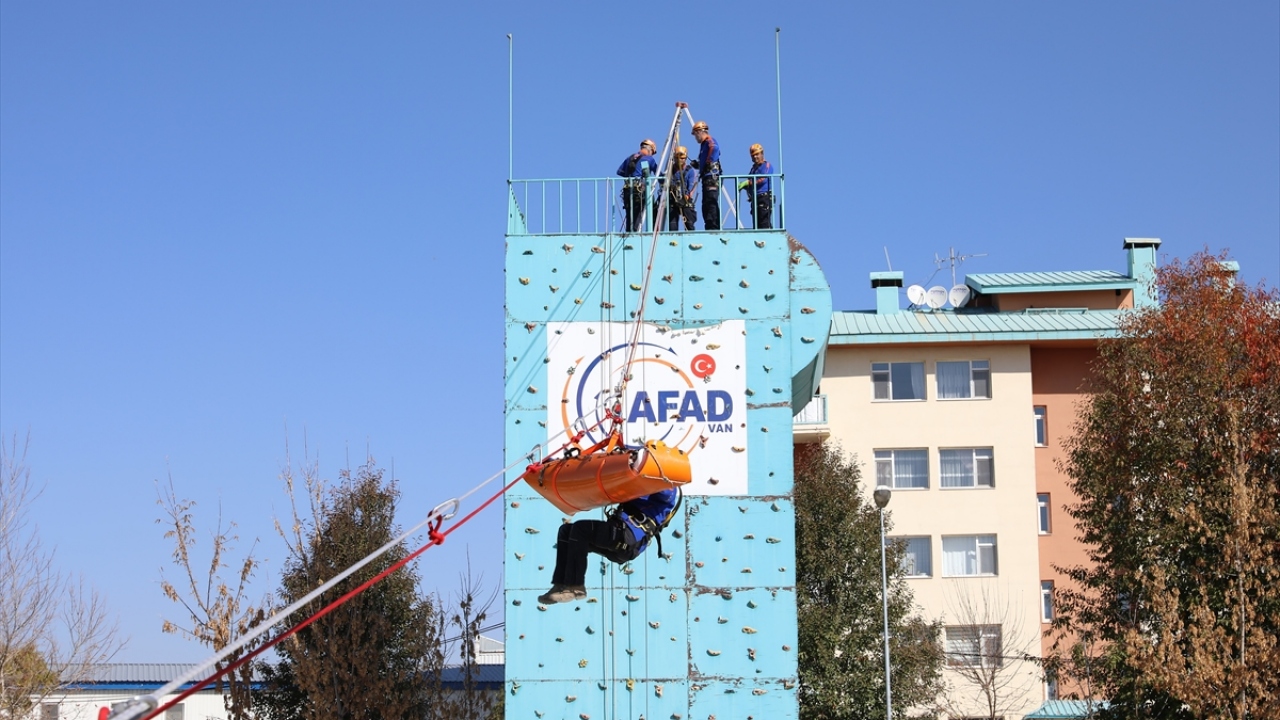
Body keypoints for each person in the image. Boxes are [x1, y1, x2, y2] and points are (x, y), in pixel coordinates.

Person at [538, 487, 681, 604]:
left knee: (581, 530)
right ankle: (560, 585)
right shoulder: (640, 488)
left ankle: (575, 586)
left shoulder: (668, 489)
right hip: (619, 539)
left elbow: (666, 491)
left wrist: (646, 471)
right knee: (566, 531)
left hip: (628, 540)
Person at [616, 139, 658, 232]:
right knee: (643, 212)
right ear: (650, 149)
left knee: (630, 215)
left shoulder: (630, 158)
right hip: (639, 190)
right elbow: (658, 172)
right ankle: (650, 231)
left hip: (627, 190)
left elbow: (620, 172)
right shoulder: (649, 159)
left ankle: (629, 233)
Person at [657, 146, 697, 231]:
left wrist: (685, 197)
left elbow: (691, 186)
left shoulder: (689, 171)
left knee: (689, 223)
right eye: (678, 158)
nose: (680, 160)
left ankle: (690, 238)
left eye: (682, 158)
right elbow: (661, 181)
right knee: (673, 225)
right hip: (672, 199)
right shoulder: (669, 170)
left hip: (685, 200)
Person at [690, 121, 721, 230]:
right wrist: (698, 164)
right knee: (706, 204)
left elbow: (714, 148)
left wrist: (709, 161)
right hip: (706, 178)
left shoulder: (709, 141)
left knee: (711, 203)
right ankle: (709, 225)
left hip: (711, 178)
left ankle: (713, 227)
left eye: (695, 134)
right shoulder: (704, 145)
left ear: (699, 132)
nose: (695, 138)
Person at [737, 143, 774, 229]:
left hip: (764, 197)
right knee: (757, 224)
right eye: (753, 155)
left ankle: (767, 238)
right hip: (755, 199)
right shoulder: (753, 169)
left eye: (757, 154)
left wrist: (748, 183)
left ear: (762, 154)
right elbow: (750, 179)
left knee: (764, 222)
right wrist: (745, 186)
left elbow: (763, 179)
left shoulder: (767, 166)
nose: (755, 157)